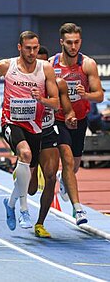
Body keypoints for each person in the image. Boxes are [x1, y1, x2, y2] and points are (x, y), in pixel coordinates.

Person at [0, 31, 59, 231]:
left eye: (35, 48)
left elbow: (56, 103)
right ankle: (24, 210)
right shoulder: (5, 66)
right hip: (11, 122)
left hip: (35, 127)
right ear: (19, 47)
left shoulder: (46, 68)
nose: (32, 52)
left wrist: (42, 99)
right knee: (25, 154)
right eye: (28, 48)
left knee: (30, 183)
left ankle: (9, 204)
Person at [51, 23, 103, 225]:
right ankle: (78, 209)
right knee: (67, 159)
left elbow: (99, 96)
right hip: (60, 120)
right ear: (61, 42)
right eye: (69, 42)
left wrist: (85, 94)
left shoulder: (88, 64)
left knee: (74, 166)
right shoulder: (51, 64)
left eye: (77, 42)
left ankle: (64, 178)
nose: (73, 46)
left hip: (80, 120)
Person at [27, 46, 77, 238]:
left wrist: (71, 117)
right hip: (28, 132)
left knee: (49, 178)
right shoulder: (22, 81)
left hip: (48, 131)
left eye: (43, 63)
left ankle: (40, 223)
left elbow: (67, 108)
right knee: (31, 189)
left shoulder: (57, 83)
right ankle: (23, 179)